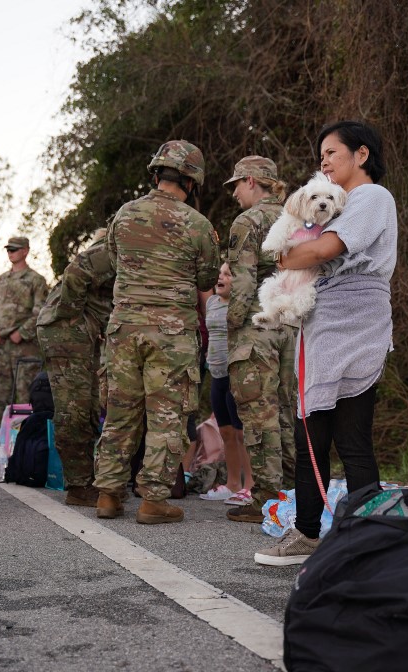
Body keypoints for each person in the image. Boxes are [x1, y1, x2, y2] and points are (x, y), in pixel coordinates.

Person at [255, 120, 397, 566]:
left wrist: (283, 254)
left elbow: (318, 251)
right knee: (312, 436)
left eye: (332, 153)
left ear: (361, 155)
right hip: (324, 318)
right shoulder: (340, 202)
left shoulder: (371, 197)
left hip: (353, 320)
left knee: (349, 437)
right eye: (322, 157)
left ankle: (364, 537)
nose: (325, 162)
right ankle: (310, 533)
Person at [92, 140, 219, 525]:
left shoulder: (125, 215)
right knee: (166, 417)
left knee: (120, 413)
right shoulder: (198, 225)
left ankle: (109, 496)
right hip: (172, 333)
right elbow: (208, 277)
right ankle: (153, 500)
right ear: (192, 181)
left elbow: (114, 261)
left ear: (156, 173)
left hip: (124, 329)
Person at [219, 156, 296, 520]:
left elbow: (245, 279)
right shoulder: (297, 217)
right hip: (293, 324)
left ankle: (266, 499)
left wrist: (234, 323)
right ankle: (295, 493)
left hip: (258, 326)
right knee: (287, 410)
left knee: (259, 413)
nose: (234, 192)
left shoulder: (247, 221)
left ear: (251, 181)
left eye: (236, 184)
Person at [35, 228, 114, 507]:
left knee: (89, 406)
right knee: (74, 408)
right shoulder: (111, 248)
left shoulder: (119, 249)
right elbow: (76, 272)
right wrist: (72, 317)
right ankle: (78, 485)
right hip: (66, 331)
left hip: (80, 331)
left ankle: (84, 480)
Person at [0, 236, 48, 447]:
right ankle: (3, 434)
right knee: (2, 390)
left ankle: (23, 436)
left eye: (14, 249)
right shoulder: (2, 279)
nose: (10, 252)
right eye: (8, 249)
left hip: (25, 346)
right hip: (2, 345)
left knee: (24, 392)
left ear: (25, 251)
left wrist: (23, 332)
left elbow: (41, 310)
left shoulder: (36, 280)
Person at [199, 262, 255, 501]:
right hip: (216, 373)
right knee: (226, 432)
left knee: (242, 433)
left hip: (236, 374)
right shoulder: (211, 302)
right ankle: (232, 484)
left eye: (227, 274)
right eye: (219, 273)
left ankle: (251, 486)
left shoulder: (242, 306)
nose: (220, 277)